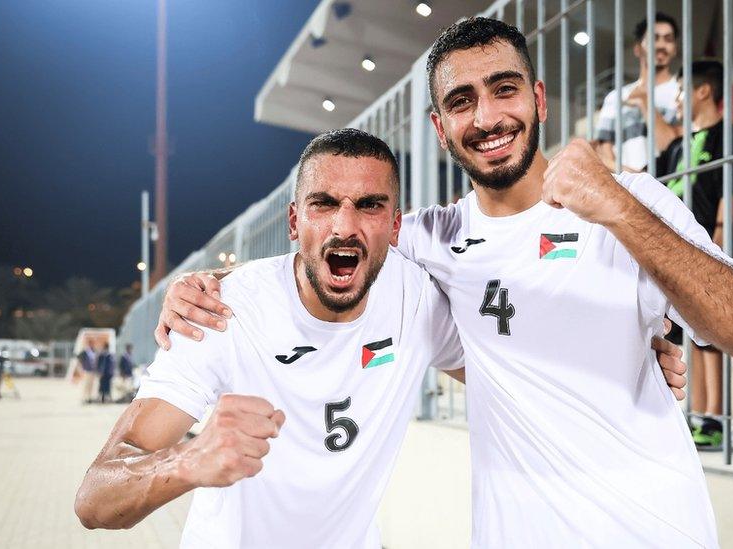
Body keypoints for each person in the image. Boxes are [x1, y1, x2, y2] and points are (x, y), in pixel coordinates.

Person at [157, 18, 733, 547]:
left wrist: (615, 207)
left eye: (503, 90)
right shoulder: (427, 239)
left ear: (538, 99)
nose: (486, 117)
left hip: (654, 531)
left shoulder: (633, 199)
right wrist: (209, 283)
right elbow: (327, 248)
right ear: (439, 126)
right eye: (461, 102)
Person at [75, 129, 469, 547]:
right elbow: (94, 500)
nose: (345, 226)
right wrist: (188, 459)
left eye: (369, 205)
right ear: (295, 222)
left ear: (395, 226)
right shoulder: (217, 312)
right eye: (324, 203)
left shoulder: (417, 299)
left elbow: (509, 371)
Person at [653, 59, 733, 450]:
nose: (676, 99)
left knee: (712, 335)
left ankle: (715, 418)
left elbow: (730, 191)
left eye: (681, 90)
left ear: (703, 91)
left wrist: (720, 243)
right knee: (690, 333)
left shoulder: (727, 134)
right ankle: (698, 414)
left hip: (710, 249)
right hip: (678, 253)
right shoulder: (677, 145)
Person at [593, 12, 680, 173]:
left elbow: (676, 148)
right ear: (638, 49)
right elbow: (604, 153)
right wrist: (637, 180)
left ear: (675, 49)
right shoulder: (614, 98)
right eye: (654, 38)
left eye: (668, 39)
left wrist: (645, 103)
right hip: (624, 189)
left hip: (668, 189)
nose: (661, 45)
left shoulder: (681, 92)